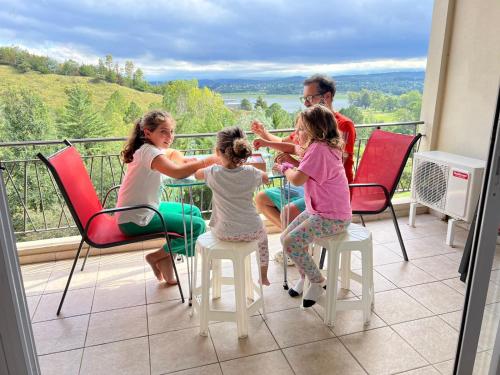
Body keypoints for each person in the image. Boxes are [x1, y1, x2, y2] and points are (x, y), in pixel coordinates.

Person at [116, 110, 219, 284]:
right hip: (135, 218)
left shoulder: (149, 148)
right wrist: (208, 161)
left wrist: (182, 158)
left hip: (142, 209)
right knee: (197, 225)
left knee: (193, 211)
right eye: (163, 131)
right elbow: (177, 173)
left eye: (171, 131)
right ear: (148, 132)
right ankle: (157, 256)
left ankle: (166, 259)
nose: (169, 136)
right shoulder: (149, 152)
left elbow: (171, 154)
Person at [252, 74, 356, 229]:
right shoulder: (309, 124)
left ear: (327, 96)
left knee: (288, 212)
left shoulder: (342, 125)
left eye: (310, 98)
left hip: (328, 192)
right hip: (307, 183)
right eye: (304, 98)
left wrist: (292, 164)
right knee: (261, 198)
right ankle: (294, 240)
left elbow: (329, 167)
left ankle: (296, 243)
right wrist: (264, 135)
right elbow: (288, 144)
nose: (306, 103)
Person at [277, 105, 352, 307]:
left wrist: (285, 168)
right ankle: (305, 278)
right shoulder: (322, 147)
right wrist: (291, 162)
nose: (297, 133)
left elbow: (298, 179)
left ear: (315, 130)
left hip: (332, 216)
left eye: (301, 129)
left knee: (291, 242)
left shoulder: (318, 149)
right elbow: (306, 168)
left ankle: (317, 281)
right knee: (285, 238)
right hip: (319, 211)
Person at [195, 126, 271, 285]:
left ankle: (211, 264)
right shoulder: (251, 172)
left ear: (218, 151)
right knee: (264, 240)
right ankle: (263, 275)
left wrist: (213, 160)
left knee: (212, 224)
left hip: (224, 233)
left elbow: (196, 175)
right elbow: (266, 179)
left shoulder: (213, 173)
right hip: (253, 231)